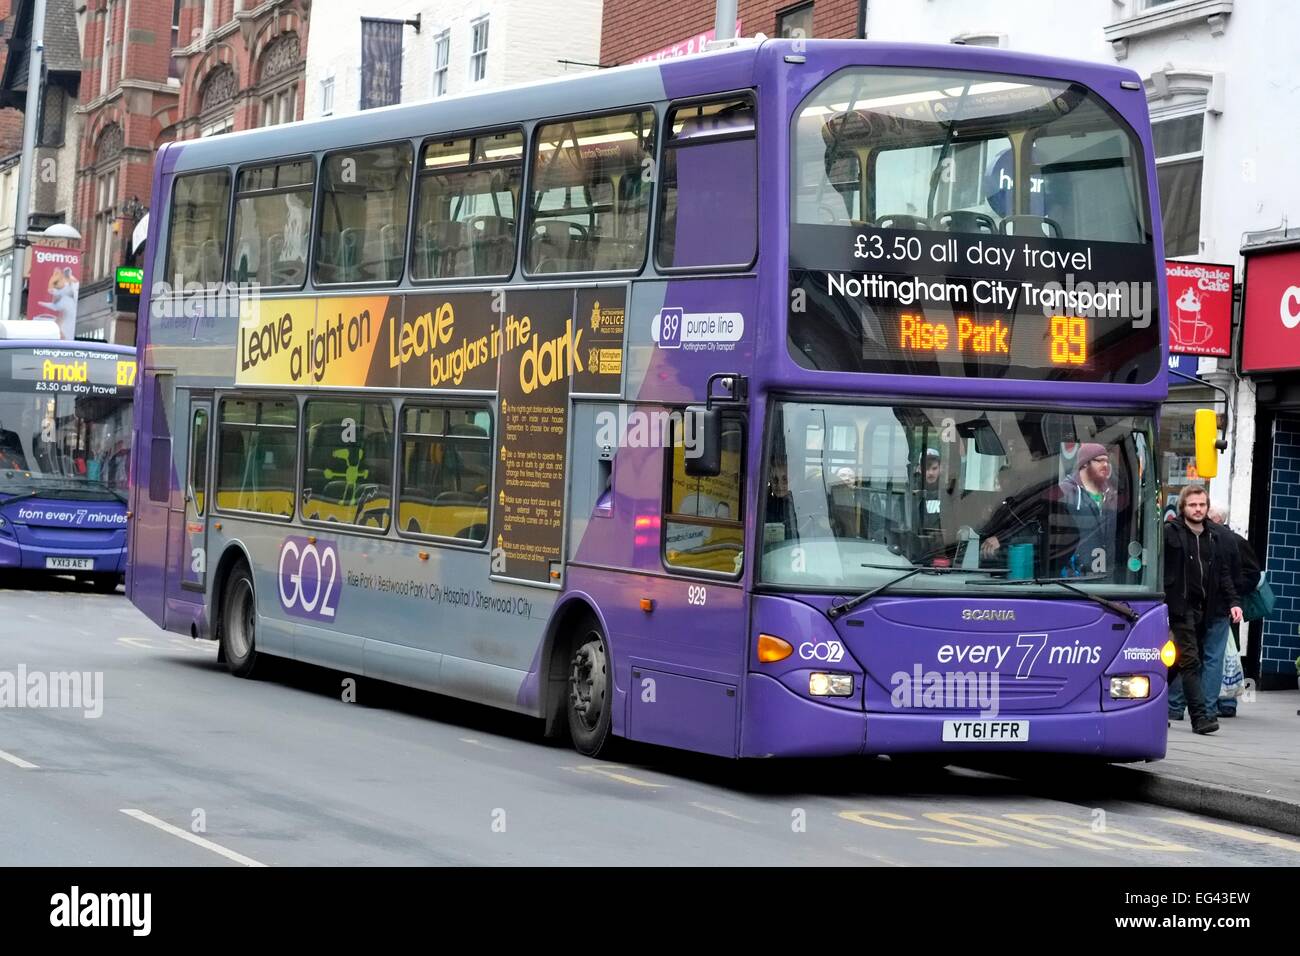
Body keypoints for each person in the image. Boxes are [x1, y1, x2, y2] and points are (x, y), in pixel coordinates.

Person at [1164, 483, 1243, 735]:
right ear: (1183, 507)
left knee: (1177, 662)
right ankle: (1201, 718)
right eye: (1192, 505)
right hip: (1179, 607)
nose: (1198, 509)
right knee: (1190, 661)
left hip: (1205, 608)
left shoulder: (1214, 536)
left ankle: (1150, 704)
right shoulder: (1170, 532)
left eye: (1202, 505)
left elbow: (1223, 573)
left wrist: (1234, 602)